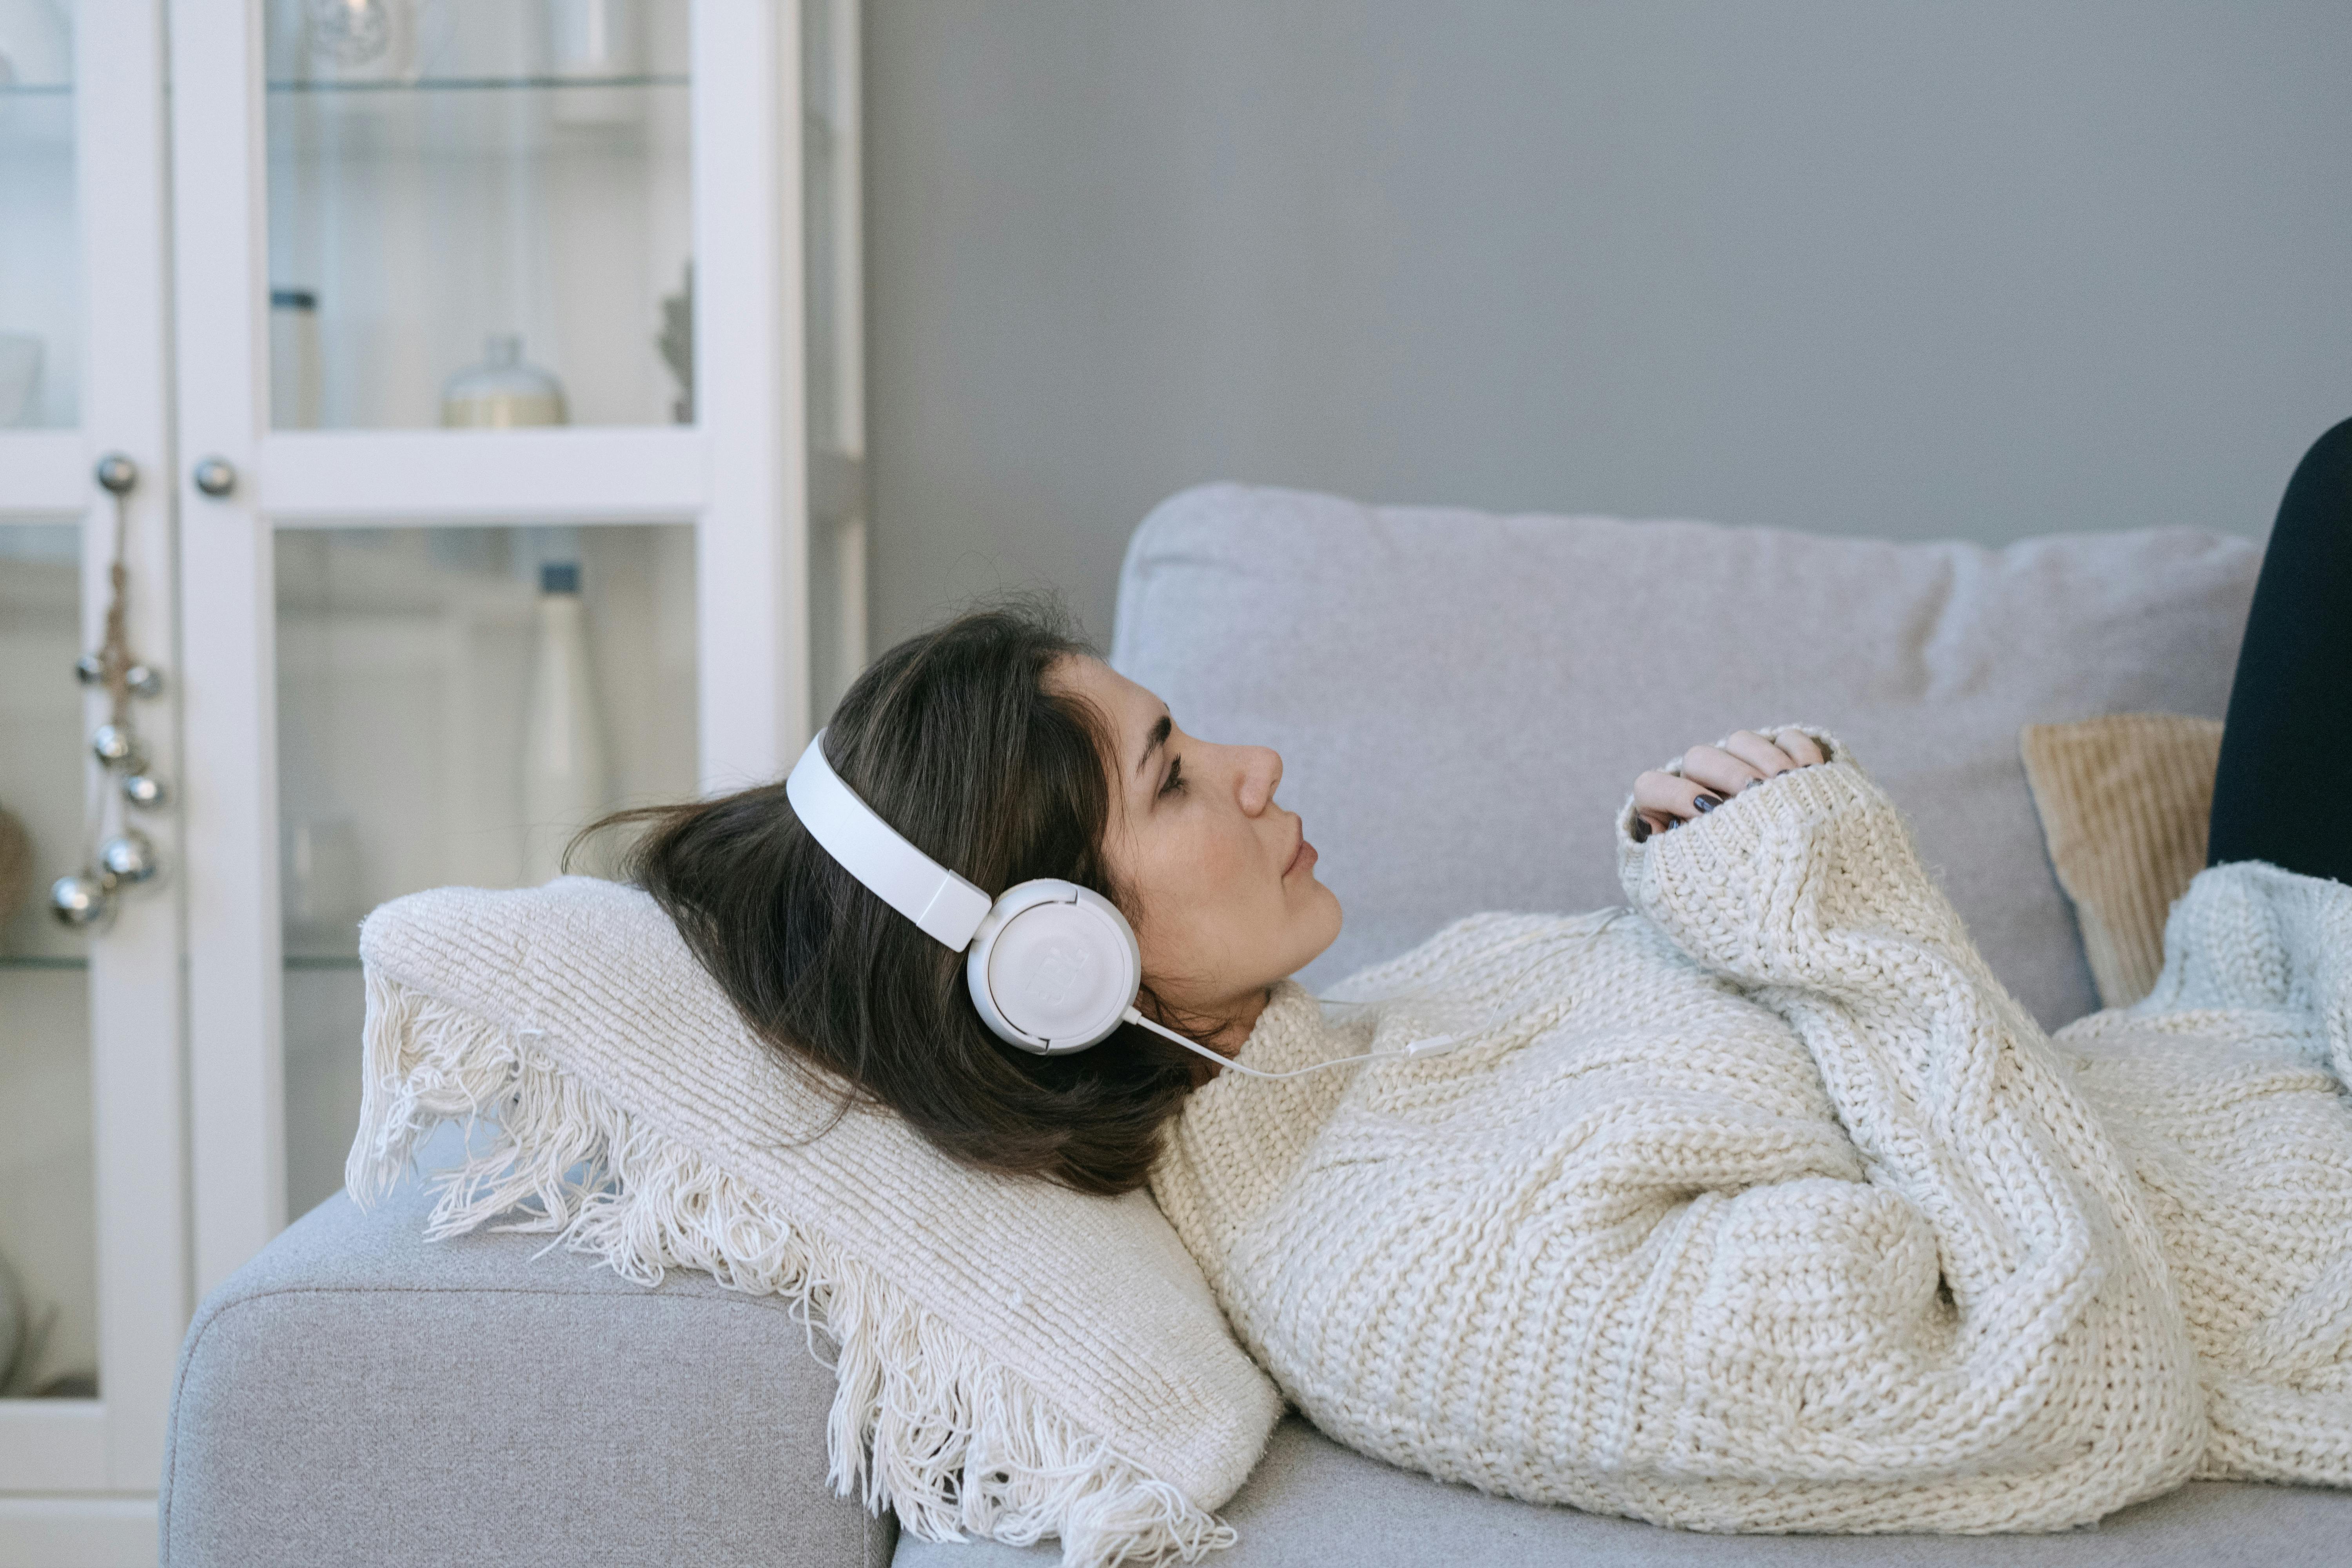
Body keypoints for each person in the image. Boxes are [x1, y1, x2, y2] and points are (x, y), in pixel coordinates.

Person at [613, 420, 2352, 1532]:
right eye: (1170, 774)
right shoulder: (1394, 1274)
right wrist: (1835, 902)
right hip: (2309, 1205)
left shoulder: (1373, 1024)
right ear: (1055, 965)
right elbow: (2075, 1386)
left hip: (2238, 1014)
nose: (1255, 764)